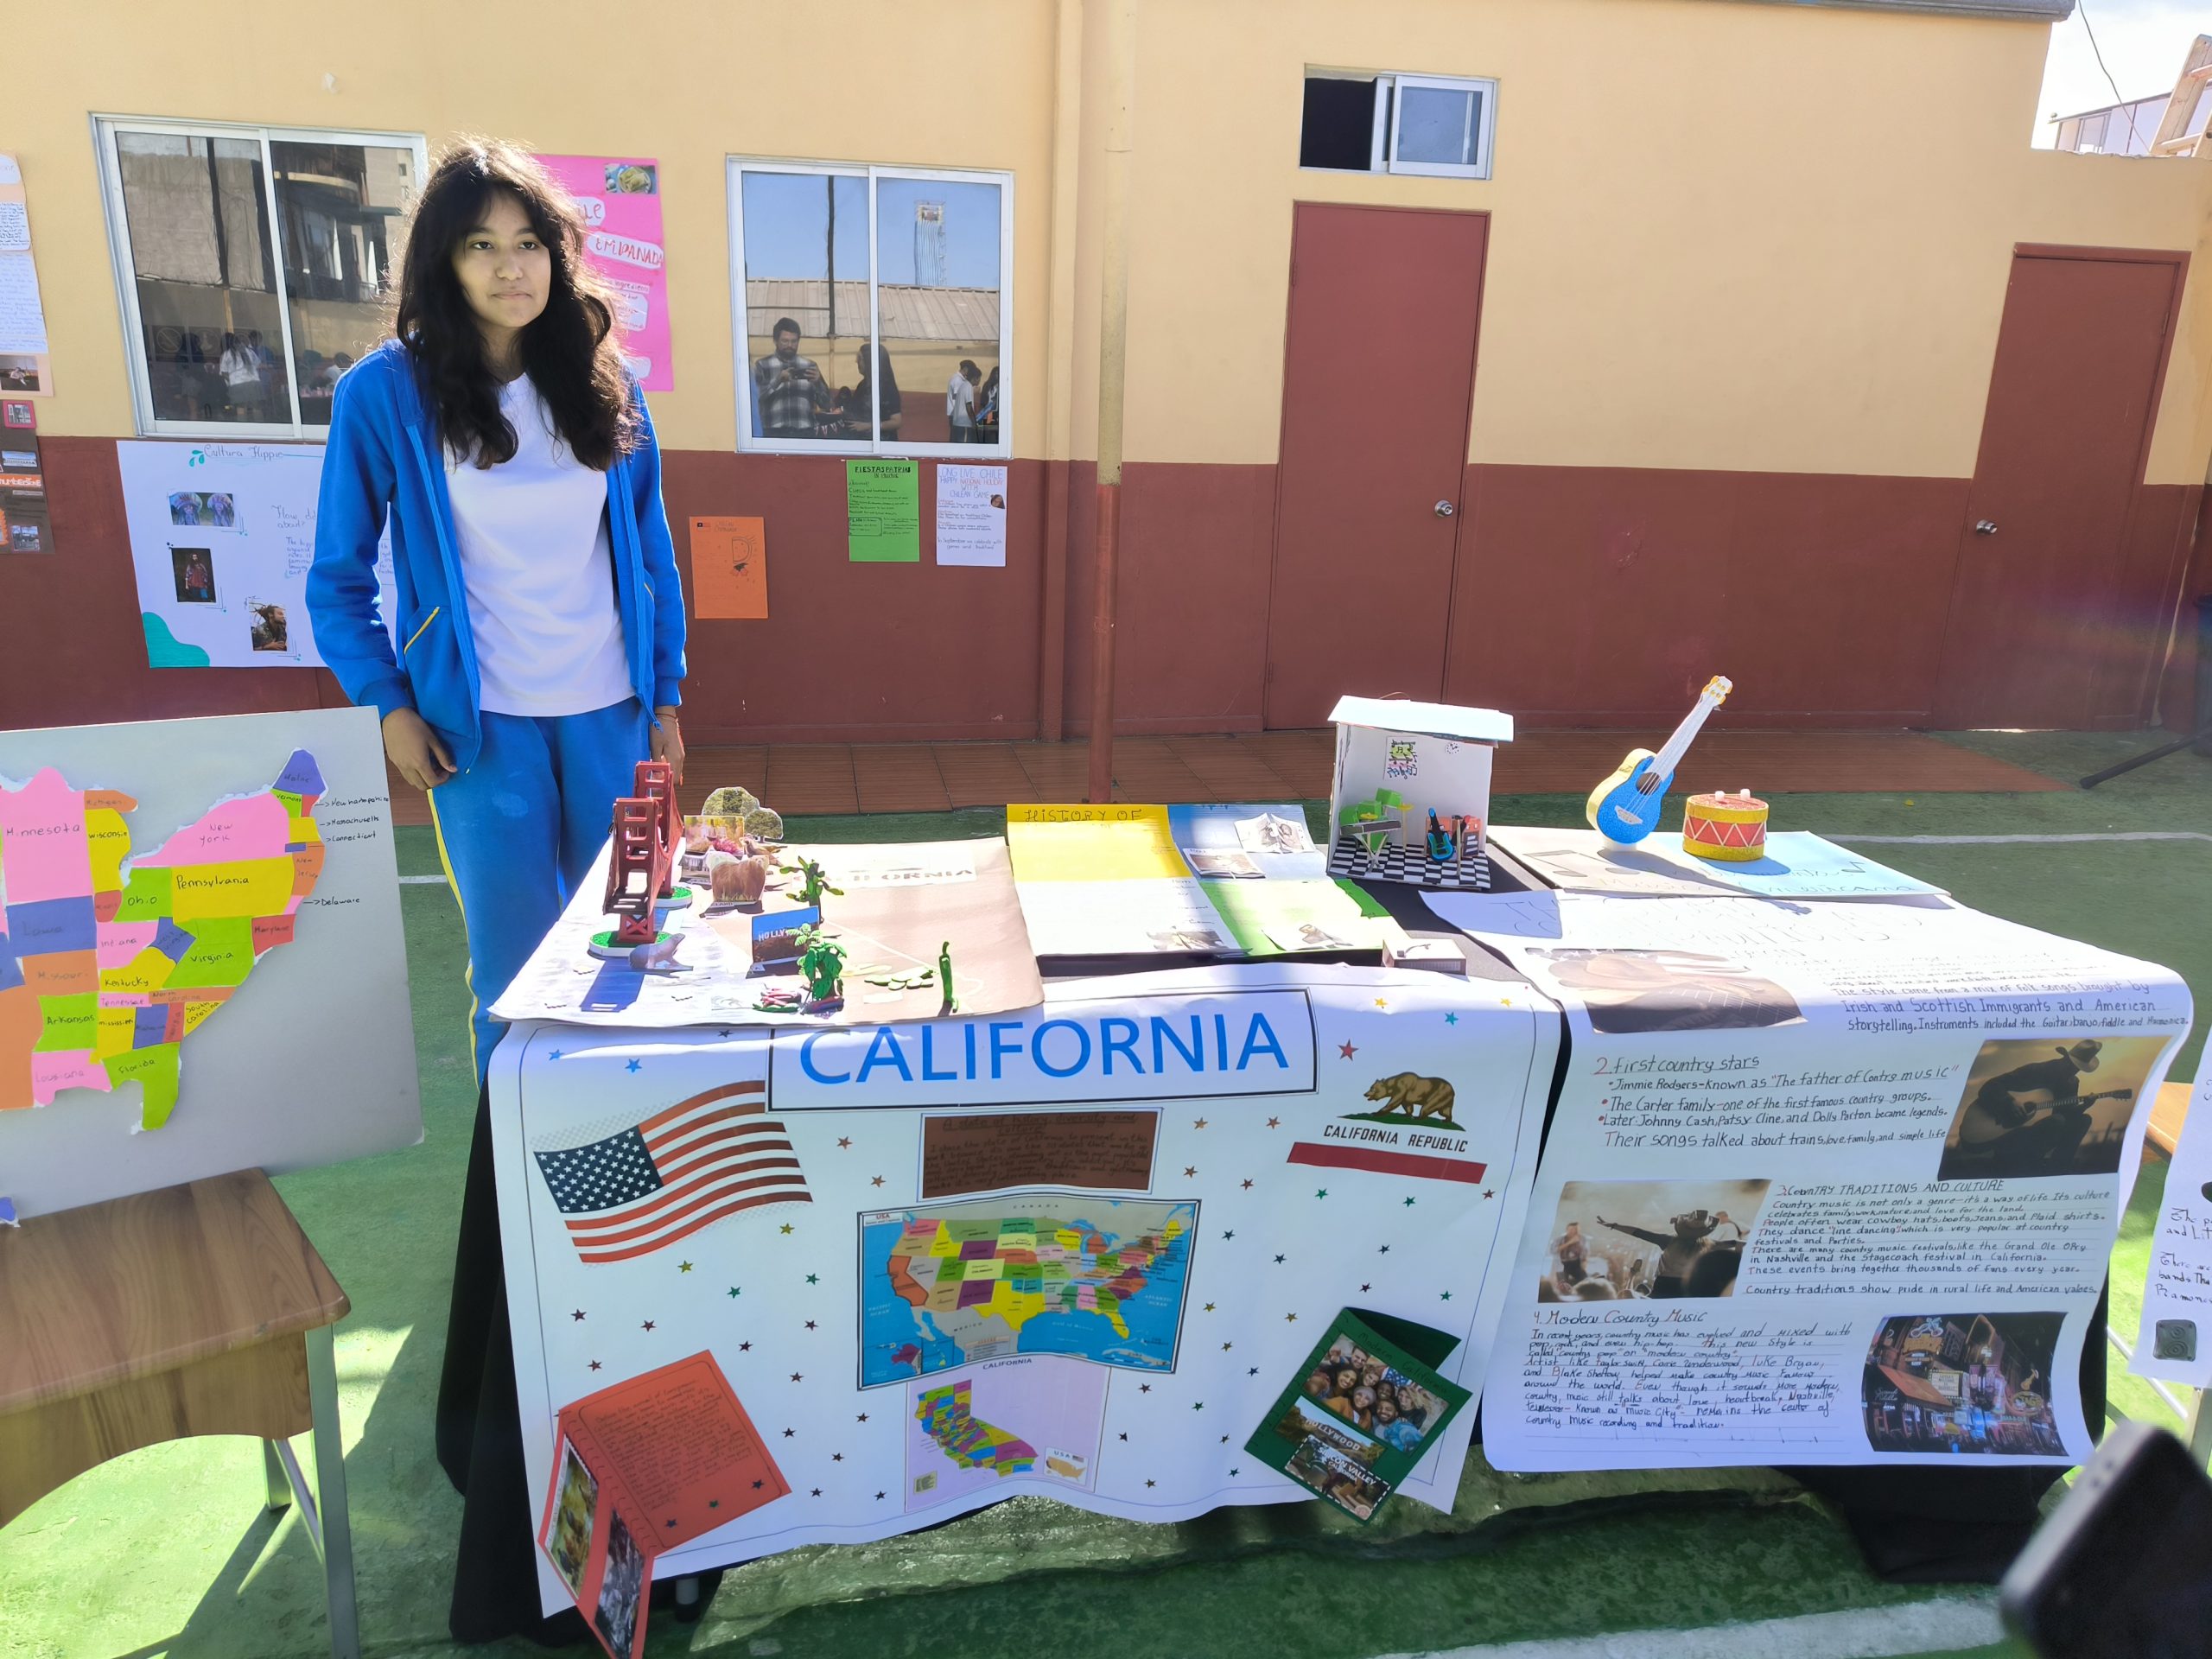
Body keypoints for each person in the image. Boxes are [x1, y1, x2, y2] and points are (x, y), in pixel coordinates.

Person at [307, 137, 687, 1085]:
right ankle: (514, 1173)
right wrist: (389, 706)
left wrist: (665, 698)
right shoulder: (384, 395)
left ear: (558, 258)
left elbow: (650, 556)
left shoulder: (605, 384)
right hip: (478, 736)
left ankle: (628, 1154)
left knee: (632, 955)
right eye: (482, 245)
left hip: (612, 720)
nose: (511, 267)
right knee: (516, 984)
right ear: (443, 261)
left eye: (529, 244)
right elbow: (337, 579)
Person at [1597, 1209, 1720, 1299]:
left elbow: (1639, 1233)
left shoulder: (1669, 1241)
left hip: (1666, 1285)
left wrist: (1614, 1226)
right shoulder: (1708, 1245)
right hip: (1686, 1286)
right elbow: (1639, 1233)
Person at [753, 318, 830, 438]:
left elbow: (827, 405)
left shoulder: (810, 366)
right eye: (785, 341)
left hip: (805, 432)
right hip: (773, 432)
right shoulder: (762, 366)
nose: (790, 345)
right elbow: (753, 401)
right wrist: (777, 381)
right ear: (775, 340)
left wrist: (818, 383)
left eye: (794, 341)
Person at [836, 344, 901, 440]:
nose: (856, 361)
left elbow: (896, 422)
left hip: (882, 442)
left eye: (860, 358)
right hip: (863, 440)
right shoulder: (862, 385)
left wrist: (867, 426)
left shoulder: (886, 387)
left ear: (869, 361)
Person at [219, 331, 265, 417]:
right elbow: (258, 365)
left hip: (237, 384)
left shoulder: (226, 354)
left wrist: (231, 381)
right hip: (253, 382)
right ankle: (259, 425)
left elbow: (223, 373)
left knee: (241, 410)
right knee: (257, 408)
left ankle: (244, 425)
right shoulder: (248, 351)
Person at [947, 359, 981, 442]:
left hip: (958, 420)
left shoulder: (964, 383)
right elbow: (968, 405)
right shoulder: (961, 382)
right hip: (963, 421)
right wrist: (973, 422)